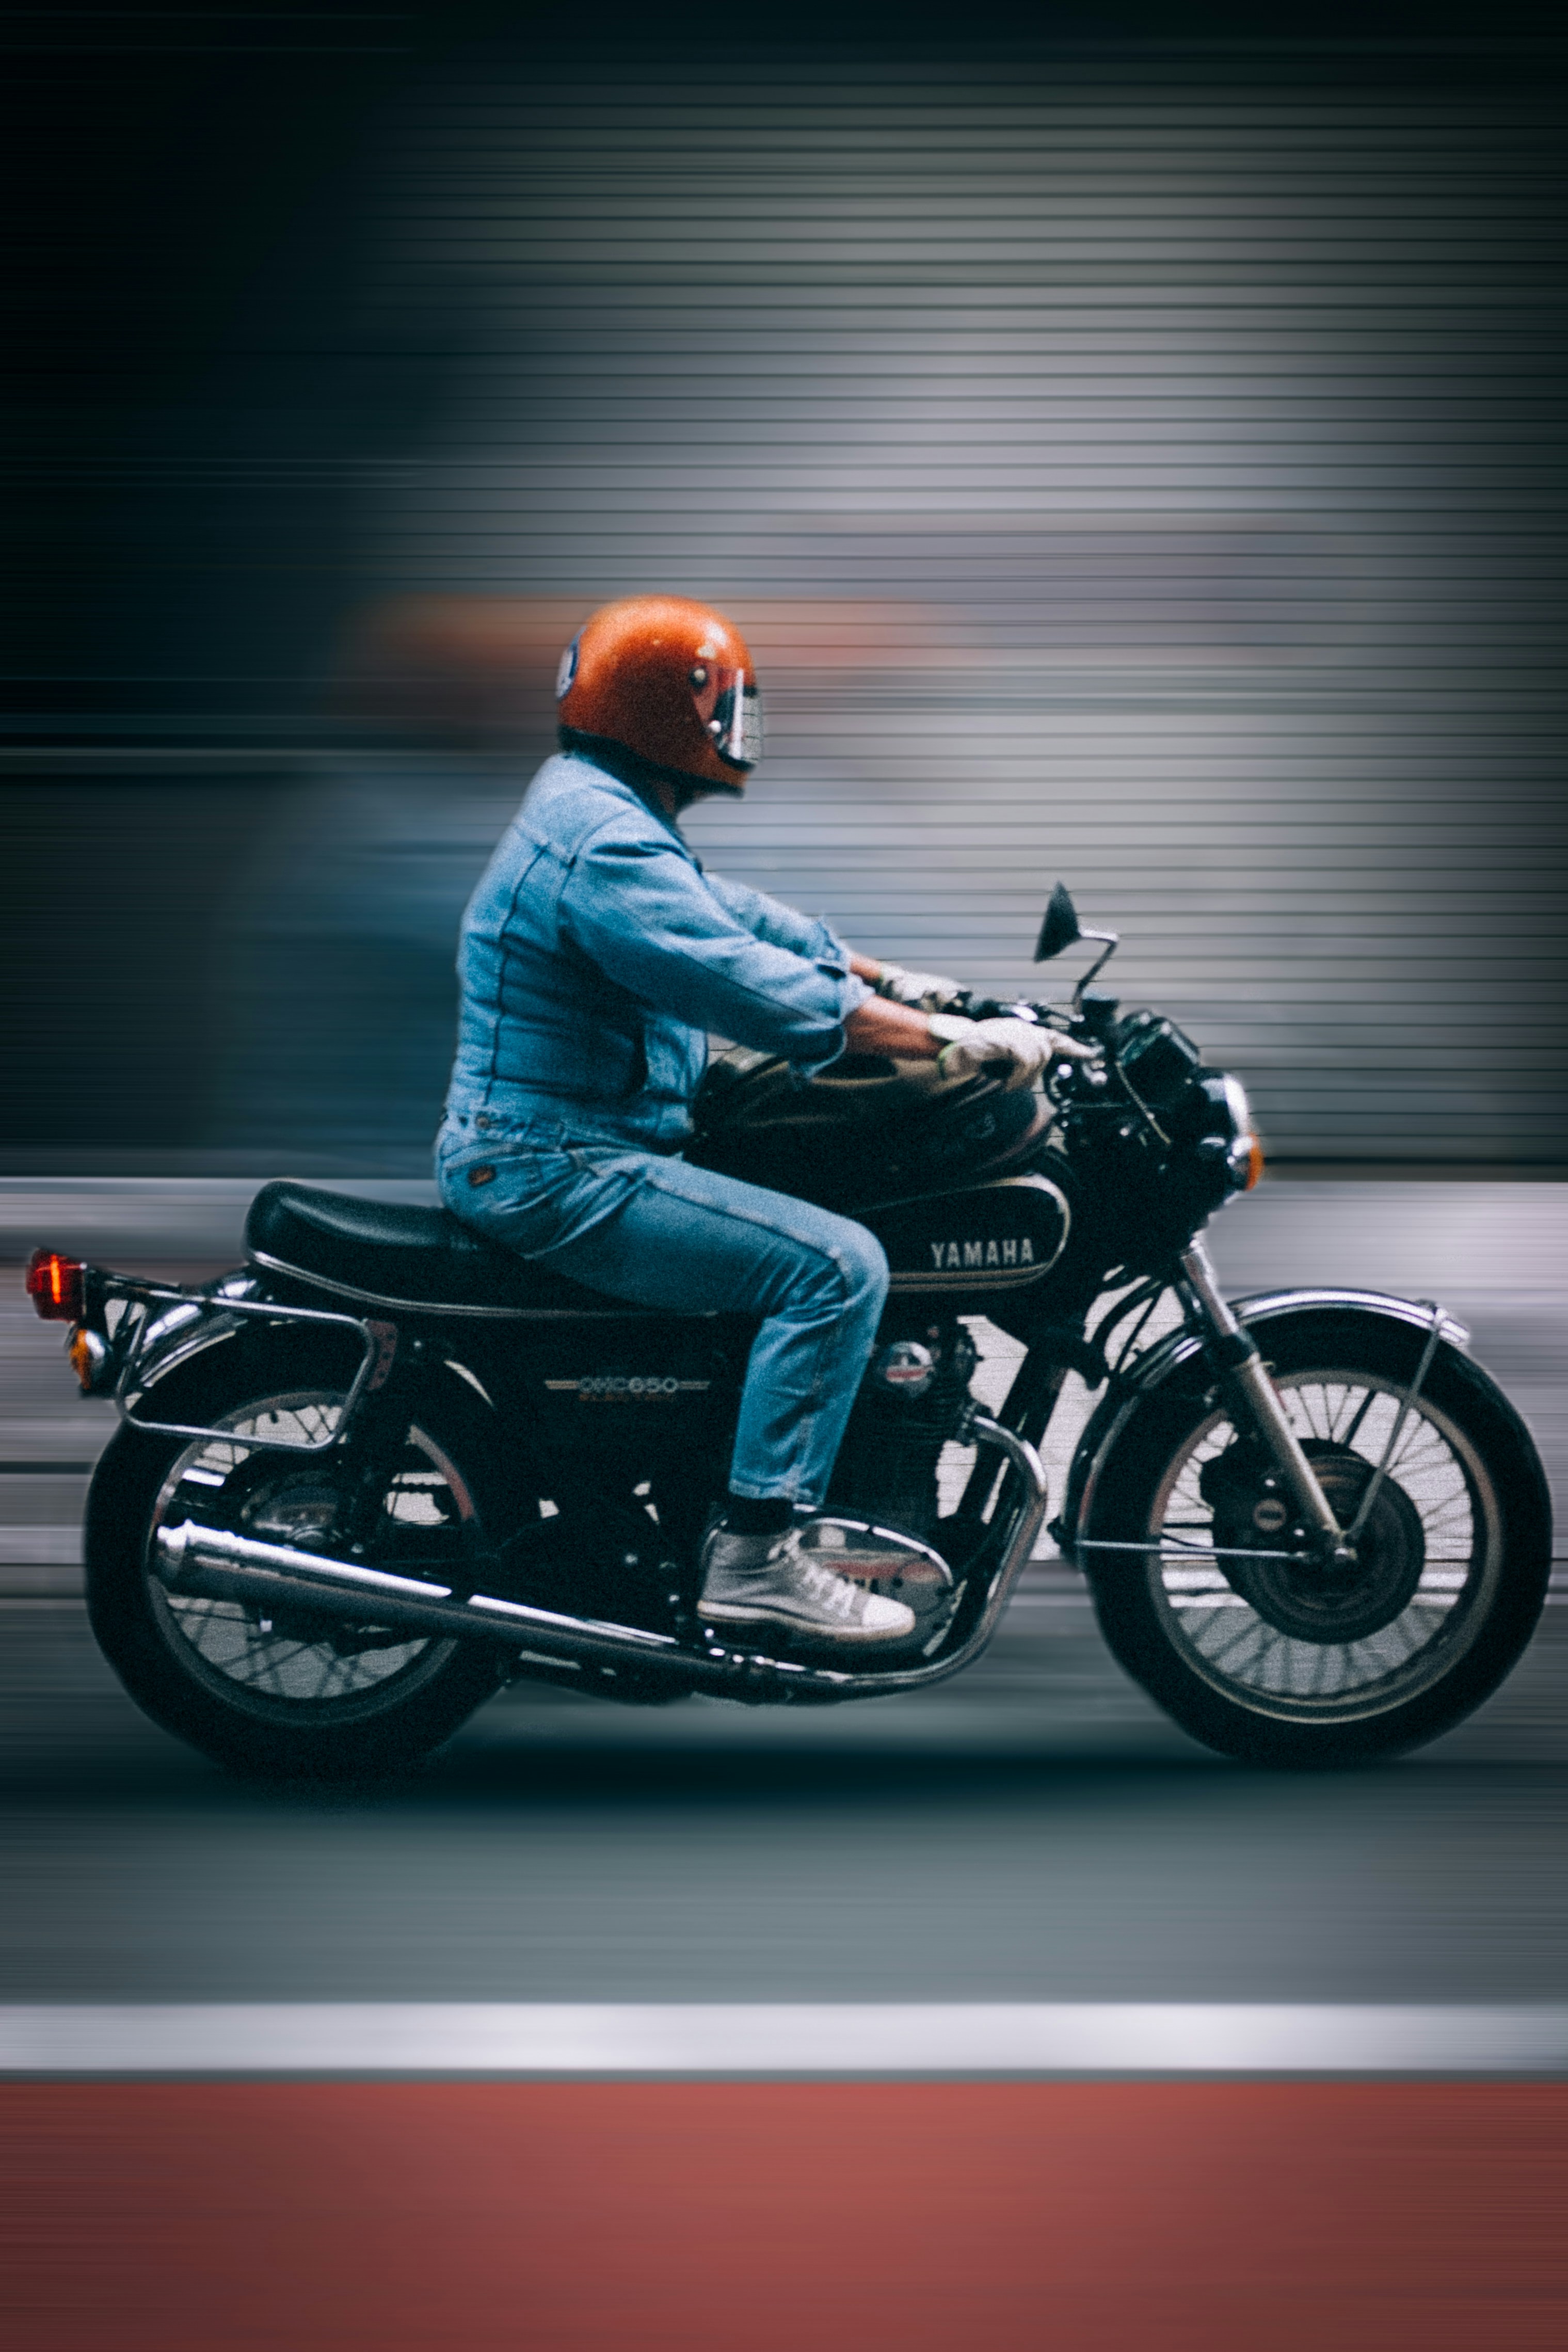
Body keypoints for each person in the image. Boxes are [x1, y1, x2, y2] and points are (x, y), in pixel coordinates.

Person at [437, 595, 1090, 1650]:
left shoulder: (600, 809)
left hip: (582, 1141)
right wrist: (937, 1044)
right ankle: (754, 1557)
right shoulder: (601, 842)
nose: (739, 728)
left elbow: (732, 915)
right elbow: (739, 983)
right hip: (554, 1164)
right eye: (727, 705)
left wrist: (913, 983)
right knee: (835, 1268)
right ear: (671, 711)